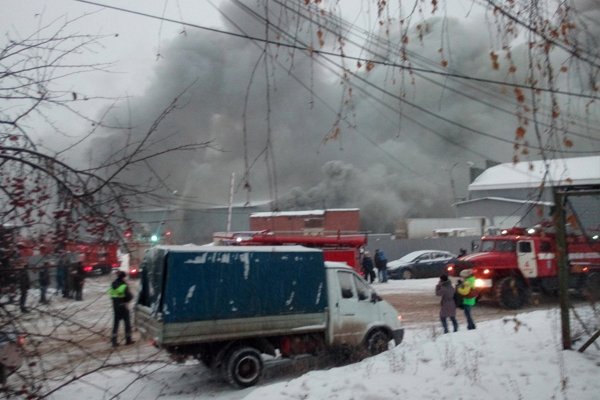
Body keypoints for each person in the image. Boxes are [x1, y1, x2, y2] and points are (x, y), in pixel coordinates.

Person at [108, 271, 134, 347]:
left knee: (115, 324)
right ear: (123, 277)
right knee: (127, 323)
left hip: (115, 307)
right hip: (123, 306)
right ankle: (128, 340)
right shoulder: (123, 285)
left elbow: (111, 295)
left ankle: (114, 341)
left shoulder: (113, 284)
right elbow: (129, 297)